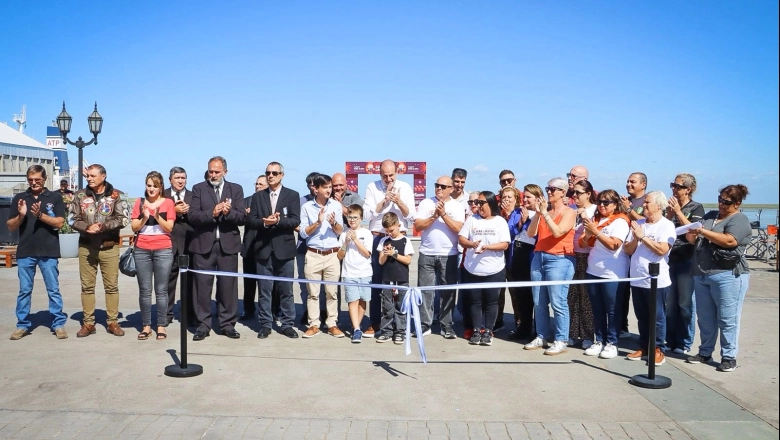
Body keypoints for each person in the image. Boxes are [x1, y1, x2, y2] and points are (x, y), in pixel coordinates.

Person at [685, 184, 752, 372]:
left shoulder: (739, 219)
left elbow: (730, 241)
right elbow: (693, 238)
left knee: (727, 318)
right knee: (705, 318)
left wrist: (703, 232)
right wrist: (692, 230)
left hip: (728, 276)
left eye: (726, 202)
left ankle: (729, 356)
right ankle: (705, 351)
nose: (721, 204)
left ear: (737, 203)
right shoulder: (710, 216)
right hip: (702, 274)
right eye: (720, 199)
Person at [188, 156, 246, 341]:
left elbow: (242, 218)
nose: (213, 175)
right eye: (211, 171)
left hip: (227, 246)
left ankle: (227, 324)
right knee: (202, 287)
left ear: (225, 172)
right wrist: (212, 213)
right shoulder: (198, 189)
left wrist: (228, 213)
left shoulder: (235, 189)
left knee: (227, 287)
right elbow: (193, 216)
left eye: (217, 172)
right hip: (203, 245)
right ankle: (203, 324)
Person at [7, 165, 67, 340]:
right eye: (30, 180)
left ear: (44, 179)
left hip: (49, 251)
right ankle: (22, 324)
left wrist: (40, 215)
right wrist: (21, 215)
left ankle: (58, 324)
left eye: (37, 180)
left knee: (53, 289)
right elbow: (10, 226)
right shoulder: (19, 198)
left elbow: (59, 223)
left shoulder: (55, 197)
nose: (34, 183)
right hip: (26, 251)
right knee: (24, 290)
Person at [70, 164, 129, 338]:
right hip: (86, 246)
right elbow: (72, 218)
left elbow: (124, 219)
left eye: (92, 176)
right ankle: (88, 323)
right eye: (87, 176)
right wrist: (86, 227)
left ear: (103, 176)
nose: (89, 178)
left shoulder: (116, 195)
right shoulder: (79, 195)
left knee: (111, 286)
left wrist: (104, 226)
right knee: (87, 287)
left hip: (109, 246)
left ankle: (112, 322)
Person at [248, 162, 301, 339]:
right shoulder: (258, 197)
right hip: (263, 250)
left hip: (284, 250)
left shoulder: (292, 195)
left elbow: (294, 220)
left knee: (286, 290)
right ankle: (265, 324)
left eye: (274, 173)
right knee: (264, 290)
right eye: (268, 173)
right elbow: (252, 221)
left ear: (281, 175)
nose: (270, 176)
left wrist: (278, 222)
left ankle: (287, 324)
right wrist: (265, 222)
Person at [362, 160, 415, 337]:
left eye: (391, 175)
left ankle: (400, 326)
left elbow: (411, 215)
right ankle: (376, 323)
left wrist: (398, 201)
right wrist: (384, 201)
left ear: (397, 173)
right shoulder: (372, 187)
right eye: (384, 175)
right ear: (379, 174)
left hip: (399, 237)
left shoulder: (405, 187)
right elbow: (367, 214)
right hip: (378, 236)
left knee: (399, 282)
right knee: (378, 281)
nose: (388, 179)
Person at [524, 178, 576, 355]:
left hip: (560, 259)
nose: (550, 192)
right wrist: (539, 214)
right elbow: (530, 233)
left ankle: (561, 339)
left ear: (563, 192)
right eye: (548, 188)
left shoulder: (570, 212)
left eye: (554, 189)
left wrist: (545, 214)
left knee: (558, 301)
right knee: (538, 301)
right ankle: (542, 335)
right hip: (539, 257)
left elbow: (558, 232)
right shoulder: (544, 212)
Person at [624, 191, 676, 366]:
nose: (643, 205)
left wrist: (643, 237)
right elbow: (628, 250)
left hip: (656, 280)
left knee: (657, 316)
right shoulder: (638, 224)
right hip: (637, 278)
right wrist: (635, 238)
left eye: (647, 203)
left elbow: (661, 250)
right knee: (642, 316)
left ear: (659, 206)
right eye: (644, 202)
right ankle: (644, 346)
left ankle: (658, 349)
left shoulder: (666, 226)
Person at [579, 189, 630, 359]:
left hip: (613, 272)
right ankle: (599, 340)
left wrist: (596, 231)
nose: (601, 205)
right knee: (597, 308)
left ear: (615, 205)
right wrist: (588, 234)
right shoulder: (596, 220)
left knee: (613, 309)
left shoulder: (621, 221)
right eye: (600, 202)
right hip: (593, 270)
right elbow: (584, 243)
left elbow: (614, 245)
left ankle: (612, 342)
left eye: (606, 202)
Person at [414, 176, 465, 339]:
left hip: (448, 254)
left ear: (451, 189)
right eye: (437, 185)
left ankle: (447, 325)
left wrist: (443, 214)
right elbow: (418, 225)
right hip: (426, 253)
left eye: (443, 186)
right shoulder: (426, 203)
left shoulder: (456, 206)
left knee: (447, 292)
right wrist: (434, 216)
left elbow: (459, 228)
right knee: (425, 291)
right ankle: (424, 324)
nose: (439, 188)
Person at [458, 191, 510, 346]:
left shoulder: (499, 221)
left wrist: (487, 247)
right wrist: (472, 244)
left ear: (491, 204)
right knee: (475, 301)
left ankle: (488, 330)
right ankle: (475, 329)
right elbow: (462, 239)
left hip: (494, 269)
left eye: (481, 203)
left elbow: (505, 244)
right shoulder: (472, 220)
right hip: (472, 268)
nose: (478, 206)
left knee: (491, 301)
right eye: (476, 202)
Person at [131, 171, 175, 340]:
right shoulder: (139, 202)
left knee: (162, 290)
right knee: (145, 290)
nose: (151, 189)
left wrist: (157, 217)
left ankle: (161, 325)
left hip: (163, 248)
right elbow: (135, 227)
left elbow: (169, 228)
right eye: (149, 185)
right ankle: (146, 325)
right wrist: (144, 217)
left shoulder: (168, 203)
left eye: (154, 186)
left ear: (160, 187)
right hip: (142, 249)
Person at [299, 174, 344, 338]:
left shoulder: (336, 206)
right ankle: (313, 324)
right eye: (325, 187)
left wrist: (333, 224)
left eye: (330, 187)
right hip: (313, 254)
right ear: (316, 189)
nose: (329, 190)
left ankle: (332, 323)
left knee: (332, 292)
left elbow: (340, 231)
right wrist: (318, 223)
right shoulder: (306, 207)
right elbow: (303, 233)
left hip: (332, 254)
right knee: (313, 292)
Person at [665, 173, 704, 354]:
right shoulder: (670, 207)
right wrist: (669, 214)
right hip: (669, 259)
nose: (674, 188)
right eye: (673, 185)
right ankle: (670, 339)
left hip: (686, 260)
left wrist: (679, 213)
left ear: (688, 189)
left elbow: (693, 232)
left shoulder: (696, 208)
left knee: (685, 303)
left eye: (678, 186)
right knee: (670, 304)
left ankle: (684, 342)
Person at [507, 184, 542, 340]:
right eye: (524, 196)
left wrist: (528, 221)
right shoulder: (517, 212)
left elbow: (535, 235)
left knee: (534, 295)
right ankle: (524, 326)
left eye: (529, 197)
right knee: (521, 294)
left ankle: (538, 329)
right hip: (518, 253)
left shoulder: (541, 214)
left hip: (531, 254)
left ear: (537, 197)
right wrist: (520, 223)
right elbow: (509, 232)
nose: (525, 200)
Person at [376, 212, 415, 344]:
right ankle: (386, 331)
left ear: (398, 225)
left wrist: (394, 255)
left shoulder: (406, 241)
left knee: (401, 306)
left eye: (391, 230)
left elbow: (408, 260)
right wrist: (386, 254)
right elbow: (381, 261)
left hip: (402, 279)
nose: (389, 233)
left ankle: (400, 332)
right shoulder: (383, 241)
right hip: (387, 279)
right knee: (387, 306)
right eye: (387, 231)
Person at [568, 179, 598, 350]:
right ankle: (572, 332)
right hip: (571, 255)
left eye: (579, 193)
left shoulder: (594, 210)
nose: (575, 196)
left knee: (585, 297)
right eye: (573, 193)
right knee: (571, 296)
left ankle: (587, 334)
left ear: (588, 194)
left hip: (587, 255)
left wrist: (584, 216)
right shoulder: (570, 209)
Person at [337, 204, 374, 343]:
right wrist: (346, 243)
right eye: (350, 217)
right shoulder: (343, 235)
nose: (352, 220)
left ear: (361, 218)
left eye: (355, 217)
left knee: (363, 300)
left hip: (365, 272)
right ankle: (357, 329)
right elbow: (340, 256)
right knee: (352, 300)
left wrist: (355, 240)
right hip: (349, 273)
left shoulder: (367, 233)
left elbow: (366, 253)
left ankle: (355, 325)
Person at [619, 172, 648, 336]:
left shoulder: (646, 201)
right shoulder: (624, 201)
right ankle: (622, 326)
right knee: (622, 292)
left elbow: (645, 222)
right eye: (627, 181)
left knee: (641, 296)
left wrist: (629, 209)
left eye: (633, 182)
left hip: (641, 254)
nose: (629, 184)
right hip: (625, 251)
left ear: (643, 184)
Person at [163, 166, 194, 325]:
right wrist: (173, 211)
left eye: (183, 178)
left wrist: (187, 212)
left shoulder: (193, 195)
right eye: (177, 178)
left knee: (189, 282)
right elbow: (157, 217)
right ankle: (166, 315)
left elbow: (198, 216)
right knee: (169, 282)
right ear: (170, 180)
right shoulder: (164, 196)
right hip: (169, 244)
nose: (180, 181)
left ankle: (188, 314)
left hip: (189, 243)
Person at [240, 174, 269, 321]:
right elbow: (238, 218)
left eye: (261, 184)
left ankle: (271, 310)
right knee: (249, 283)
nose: (257, 186)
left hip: (266, 247)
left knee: (268, 284)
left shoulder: (270, 200)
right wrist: (244, 215)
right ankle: (248, 309)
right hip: (250, 247)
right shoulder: (247, 201)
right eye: (256, 184)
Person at [296, 172, 321, 324]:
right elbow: (295, 222)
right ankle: (307, 311)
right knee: (304, 282)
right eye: (310, 185)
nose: (312, 187)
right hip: (303, 247)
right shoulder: (301, 201)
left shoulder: (327, 201)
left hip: (320, 248)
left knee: (322, 285)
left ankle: (322, 312)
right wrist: (307, 231)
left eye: (314, 184)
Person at [499, 186, 522, 334]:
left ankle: (519, 323)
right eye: (504, 197)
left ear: (516, 199)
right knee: (498, 293)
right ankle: (497, 321)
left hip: (514, 258)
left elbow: (513, 232)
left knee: (516, 294)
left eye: (509, 197)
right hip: (499, 260)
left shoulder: (519, 213)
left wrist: (508, 215)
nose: (506, 200)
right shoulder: (496, 214)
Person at [460, 191, 482, 338]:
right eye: (470, 202)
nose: (473, 205)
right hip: (467, 261)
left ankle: (483, 327)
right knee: (468, 297)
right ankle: (469, 327)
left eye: (477, 202)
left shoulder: (490, 218)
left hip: (485, 264)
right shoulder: (468, 219)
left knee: (483, 298)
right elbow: (461, 239)